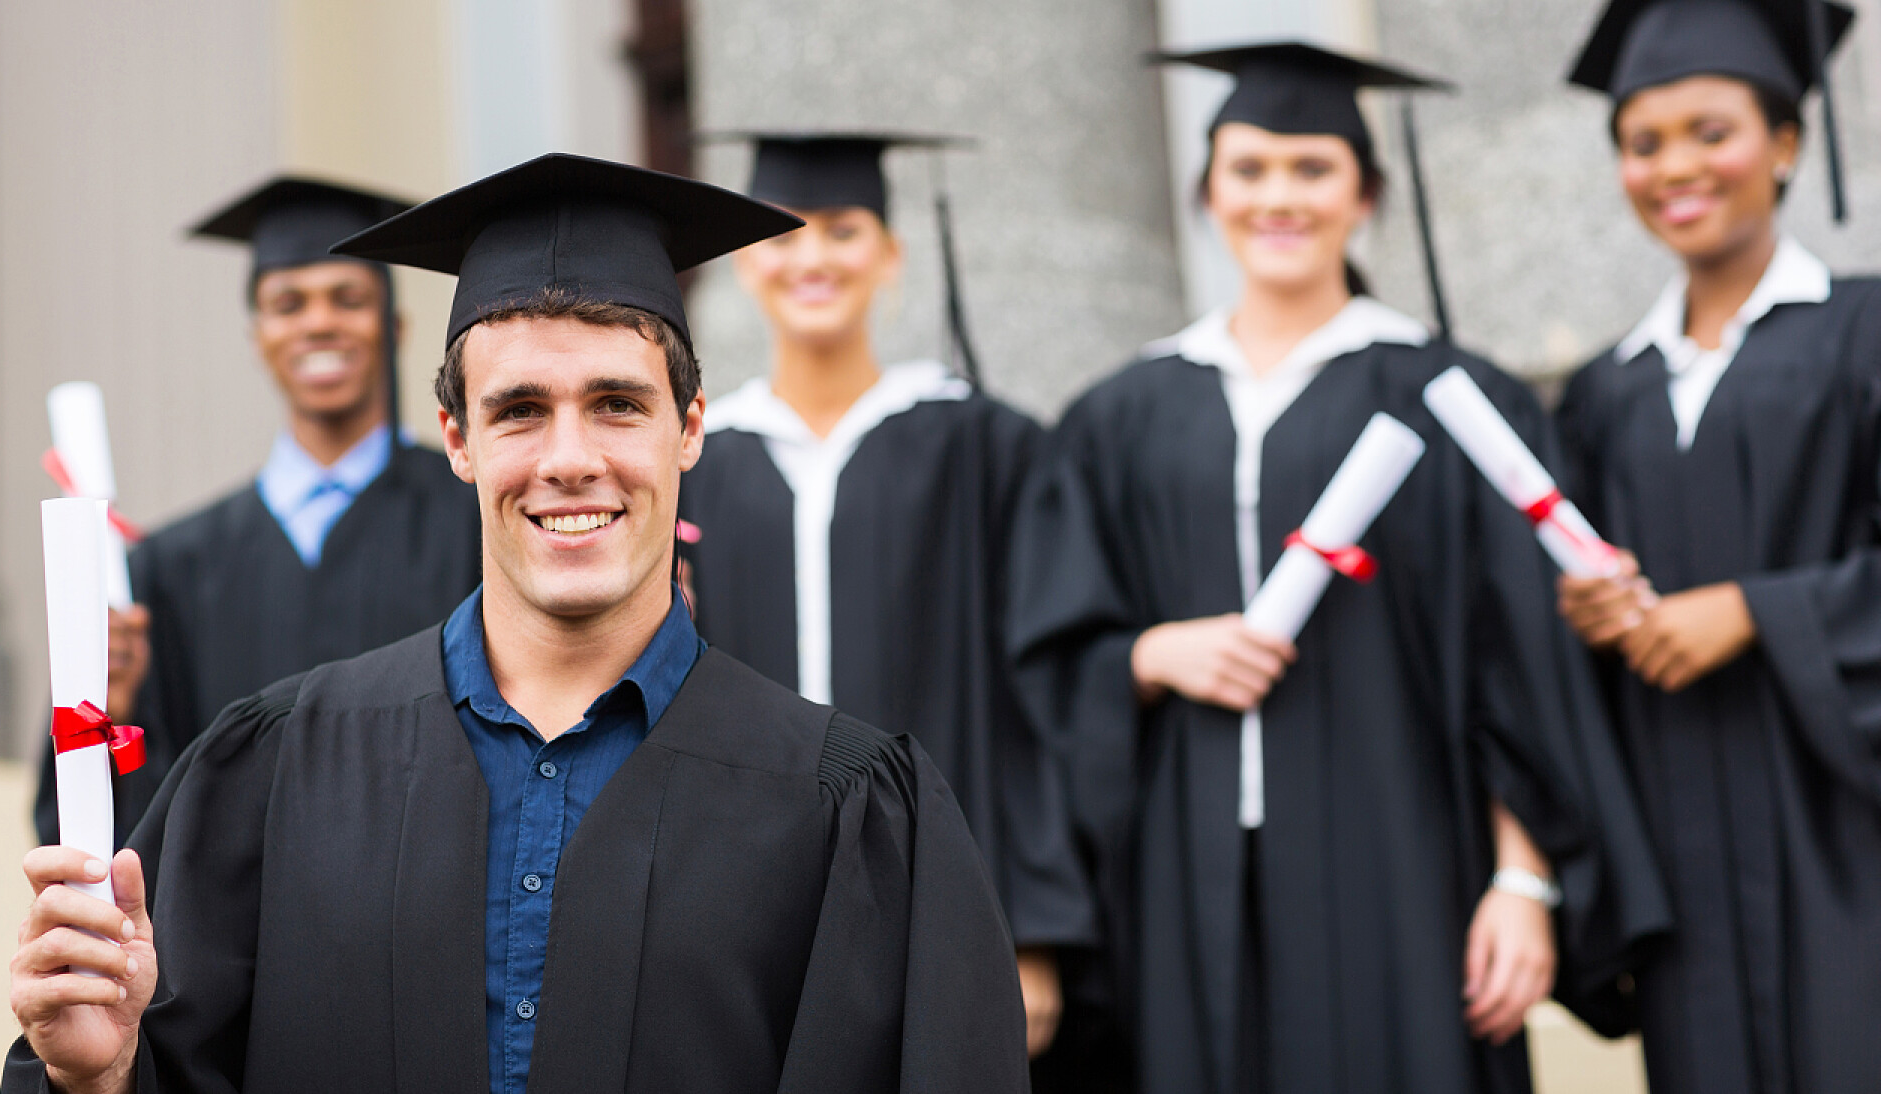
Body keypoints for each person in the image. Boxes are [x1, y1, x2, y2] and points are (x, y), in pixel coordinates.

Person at [6, 153, 1029, 1094]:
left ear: (694, 426)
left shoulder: (845, 805)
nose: (569, 455)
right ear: (457, 436)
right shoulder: (275, 773)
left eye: (619, 404)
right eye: (520, 409)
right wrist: (98, 1080)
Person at [1007, 41, 1670, 1094]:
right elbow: (1042, 661)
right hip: (1183, 872)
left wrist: (1522, 879)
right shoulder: (1118, 416)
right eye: (1251, 168)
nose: (1281, 196)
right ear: (1208, 190)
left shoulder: (1450, 395)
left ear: (1365, 194)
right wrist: (1151, 652)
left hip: (1405, 856)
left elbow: (1524, 661)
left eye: (1312, 169)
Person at [676, 132, 1095, 1067]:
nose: (813, 258)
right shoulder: (697, 464)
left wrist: (1026, 927)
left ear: (891, 255)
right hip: (737, 900)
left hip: (946, 893)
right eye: (782, 237)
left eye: (844, 229)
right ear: (746, 265)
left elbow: (1033, 698)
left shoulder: (985, 449)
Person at [1556, 2, 1880, 1091]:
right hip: (1682, 846)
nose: (1675, 167)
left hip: (1848, 833)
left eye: (1711, 130)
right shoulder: (1607, 389)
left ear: (1786, 142)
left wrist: (1752, 608)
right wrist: (1593, 619)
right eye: (1643, 143)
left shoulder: (1864, 331)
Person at [31, 176, 482, 845]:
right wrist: (105, 715)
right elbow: (115, 830)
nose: (319, 321)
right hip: (239, 935)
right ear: (258, 335)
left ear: (395, 328)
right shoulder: (169, 569)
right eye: (288, 303)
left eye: (347, 298)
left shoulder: (476, 523)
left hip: (430, 923)